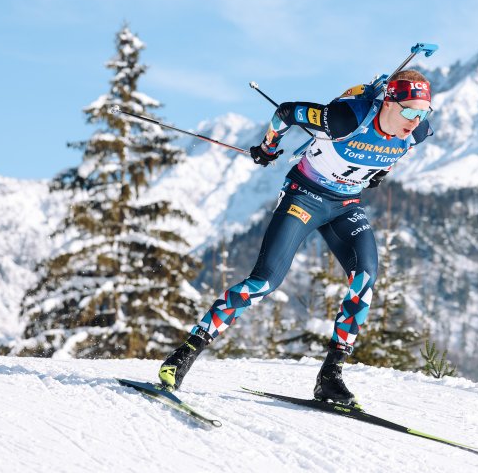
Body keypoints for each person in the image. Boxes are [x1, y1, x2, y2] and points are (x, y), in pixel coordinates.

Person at [158, 69, 434, 405]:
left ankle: (330, 378)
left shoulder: (417, 131)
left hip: (345, 205)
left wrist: (376, 174)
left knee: (364, 279)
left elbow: (391, 153)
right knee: (264, 282)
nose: (415, 120)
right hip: (304, 197)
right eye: (408, 110)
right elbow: (286, 112)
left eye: (422, 112)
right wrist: (268, 146)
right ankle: (184, 354)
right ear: (388, 102)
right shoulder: (345, 119)